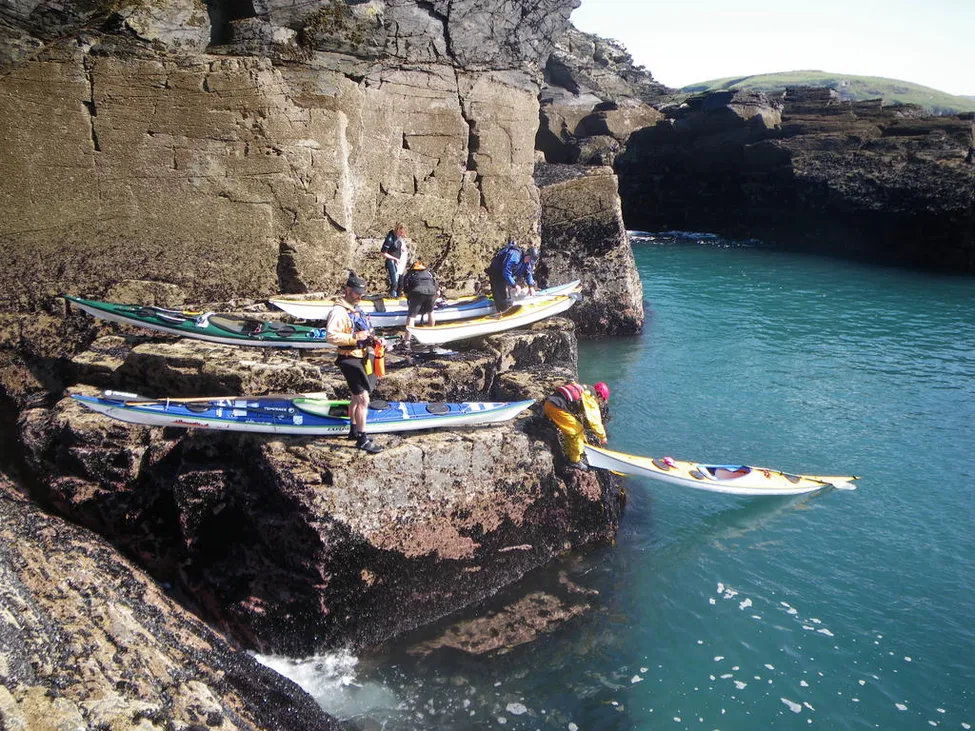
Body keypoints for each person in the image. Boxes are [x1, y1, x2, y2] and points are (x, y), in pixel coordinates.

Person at [325, 271, 384, 454]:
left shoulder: (358, 309)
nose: (360, 296)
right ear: (347, 290)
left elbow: (367, 331)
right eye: (357, 293)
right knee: (363, 398)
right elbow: (330, 336)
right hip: (349, 359)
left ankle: (352, 430)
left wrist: (376, 340)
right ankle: (362, 438)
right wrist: (353, 337)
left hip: (363, 356)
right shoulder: (338, 312)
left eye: (362, 293)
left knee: (355, 396)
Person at [543, 381, 610, 470]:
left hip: (549, 404)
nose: (600, 402)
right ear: (599, 395)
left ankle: (568, 454)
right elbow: (594, 420)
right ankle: (574, 461)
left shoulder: (584, 388)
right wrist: (602, 436)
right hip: (557, 408)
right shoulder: (590, 397)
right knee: (577, 430)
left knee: (570, 430)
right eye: (602, 400)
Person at [487, 239, 538, 312]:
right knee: (501, 295)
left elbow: (528, 273)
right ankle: (502, 311)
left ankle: (508, 303)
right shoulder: (515, 256)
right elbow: (506, 272)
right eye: (530, 259)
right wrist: (515, 285)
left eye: (532, 261)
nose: (530, 262)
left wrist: (531, 286)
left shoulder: (527, 263)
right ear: (527, 254)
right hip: (497, 272)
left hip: (506, 274)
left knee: (509, 289)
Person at [400, 260, 439, 349]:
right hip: (432, 292)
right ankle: (431, 334)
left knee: (411, 316)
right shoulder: (429, 273)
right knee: (431, 312)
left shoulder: (409, 274)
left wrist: (412, 301)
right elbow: (438, 291)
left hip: (417, 292)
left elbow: (406, 292)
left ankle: (407, 340)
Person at [380, 223, 409, 297]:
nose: (402, 234)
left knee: (401, 283)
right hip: (391, 262)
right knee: (394, 283)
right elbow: (383, 253)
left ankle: (398, 297)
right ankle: (392, 296)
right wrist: (394, 258)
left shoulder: (399, 238)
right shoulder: (390, 238)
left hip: (399, 263)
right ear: (398, 230)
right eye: (401, 232)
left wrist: (402, 249)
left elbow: (399, 247)